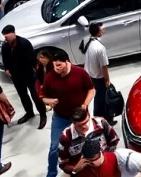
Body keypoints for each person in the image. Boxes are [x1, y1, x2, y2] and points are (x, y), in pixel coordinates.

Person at [42, 49, 96, 177]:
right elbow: (44, 97)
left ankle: (89, 169)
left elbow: (91, 89)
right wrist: (49, 101)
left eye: (59, 65)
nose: (57, 69)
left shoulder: (80, 73)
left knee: (87, 143)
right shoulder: (50, 76)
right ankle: (51, 174)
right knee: (54, 147)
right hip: (60, 117)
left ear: (67, 62)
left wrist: (84, 104)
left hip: (80, 118)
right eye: (55, 66)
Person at [0, 25, 47, 128]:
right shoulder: (5, 46)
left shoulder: (24, 44)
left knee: (35, 95)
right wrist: (7, 68)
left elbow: (33, 60)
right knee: (23, 95)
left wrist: (38, 76)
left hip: (28, 74)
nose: (5, 38)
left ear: (13, 33)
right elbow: (5, 58)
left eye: (6, 36)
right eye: (4, 36)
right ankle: (29, 112)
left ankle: (42, 113)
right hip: (16, 76)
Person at [56, 107, 120, 175]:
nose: (85, 126)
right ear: (73, 123)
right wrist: (74, 169)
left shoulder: (101, 123)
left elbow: (114, 140)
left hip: (104, 167)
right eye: (80, 125)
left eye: (87, 122)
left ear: (89, 115)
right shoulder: (66, 137)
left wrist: (107, 158)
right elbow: (62, 163)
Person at [81, 22, 112, 124]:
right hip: (98, 76)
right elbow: (103, 66)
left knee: (99, 94)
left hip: (89, 73)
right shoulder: (100, 48)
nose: (102, 30)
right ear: (98, 32)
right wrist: (107, 80)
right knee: (102, 97)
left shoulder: (88, 41)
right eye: (101, 29)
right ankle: (102, 117)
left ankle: (100, 115)